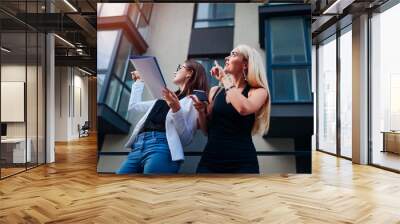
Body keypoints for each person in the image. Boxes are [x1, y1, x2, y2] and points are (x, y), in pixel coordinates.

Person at [116, 59, 208, 174]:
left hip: (162, 147)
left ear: (189, 73)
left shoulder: (194, 100)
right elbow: (134, 107)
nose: (175, 72)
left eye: (179, 68)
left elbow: (186, 138)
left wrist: (176, 109)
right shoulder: (165, 97)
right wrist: (139, 82)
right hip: (137, 147)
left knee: (152, 190)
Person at [191, 45, 271, 173]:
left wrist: (224, 79)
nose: (227, 58)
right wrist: (201, 112)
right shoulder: (215, 91)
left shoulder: (258, 92)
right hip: (209, 161)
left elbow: (243, 108)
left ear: (245, 64)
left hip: (242, 163)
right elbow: (206, 130)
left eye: (233, 54)